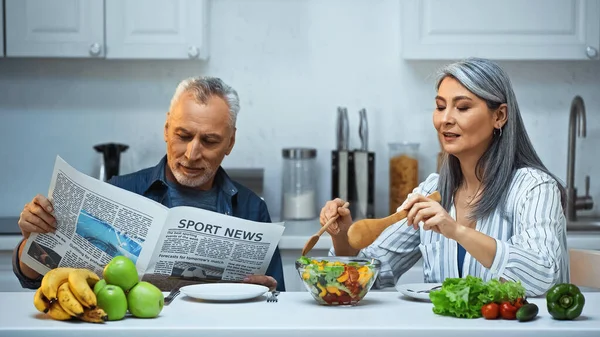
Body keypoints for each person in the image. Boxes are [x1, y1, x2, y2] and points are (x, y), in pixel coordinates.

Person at [320, 58, 568, 297]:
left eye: (462, 107)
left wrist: (457, 231)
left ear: (499, 116)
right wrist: (341, 235)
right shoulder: (432, 190)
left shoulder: (533, 188)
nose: (445, 119)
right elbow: (371, 273)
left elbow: (542, 275)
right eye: (440, 107)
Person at [13, 76, 285, 291]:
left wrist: (260, 294)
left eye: (210, 141)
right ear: (167, 129)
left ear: (230, 142)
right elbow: (35, 279)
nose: (192, 153)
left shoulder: (251, 209)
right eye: (183, 135)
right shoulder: (119, 190)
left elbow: (276, 300)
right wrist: (33, 240)